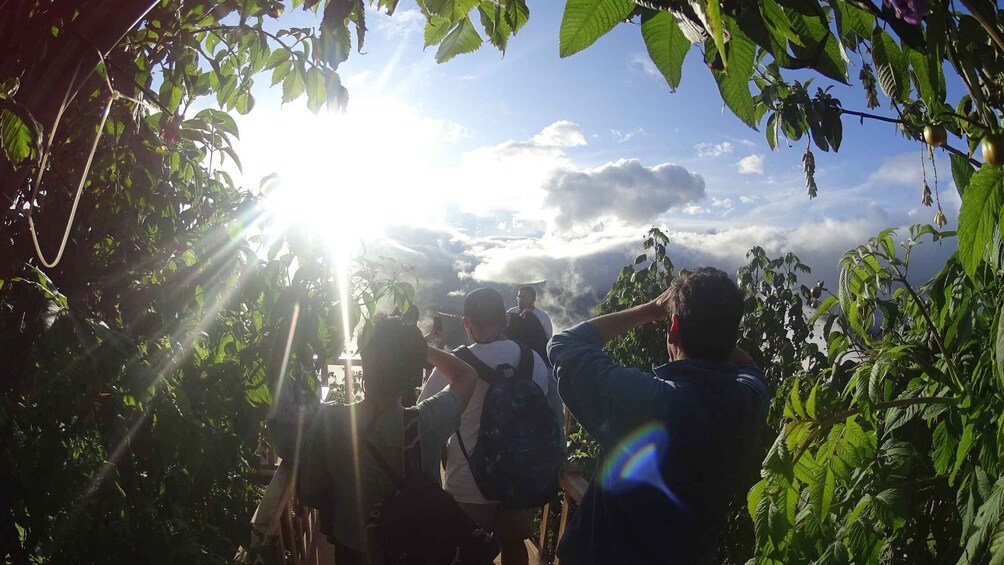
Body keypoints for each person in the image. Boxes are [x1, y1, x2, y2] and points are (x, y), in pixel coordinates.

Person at [548, 268, 770, 564]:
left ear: (674, 327)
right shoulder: (750, 399)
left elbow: (564, 344)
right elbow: (750, 367)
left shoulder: (647, 401)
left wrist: (650, 310)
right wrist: (714, 326)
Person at [274, 315, 479, 565]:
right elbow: (466, 374)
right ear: (414, 374)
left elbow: (310, 491)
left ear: (366, 362)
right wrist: (418, 349)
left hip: (354, 547)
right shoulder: (429, 420)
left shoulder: (330, 421)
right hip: (418, 546)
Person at [419, 288, 562, 565]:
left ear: (466, 324)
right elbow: (551, 414)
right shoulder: (535, 362)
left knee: (468, 553)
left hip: (468, 483)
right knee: (514, 545)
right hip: (520, 482)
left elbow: (424, 420)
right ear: (506, 321)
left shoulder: (453, 366)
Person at [505, 285, 552, 366]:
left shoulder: (543, 317)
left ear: (533, 299)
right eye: (519, 297)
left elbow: (548, 339)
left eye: (524, 297)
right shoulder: (510, 313)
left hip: (535, 356)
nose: (520, 299)